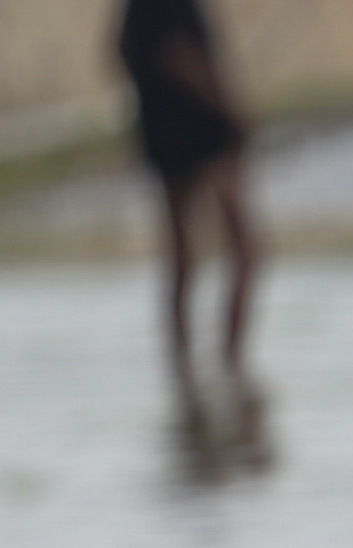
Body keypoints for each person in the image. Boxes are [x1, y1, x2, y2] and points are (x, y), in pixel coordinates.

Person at [116, 0, 257, 374]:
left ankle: (183, 364)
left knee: (182, 254)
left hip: (162, 131)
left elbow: (121, 51)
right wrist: (228, 107)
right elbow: (179, 56)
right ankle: (232, 359)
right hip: (201, 129)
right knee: (245, 248)